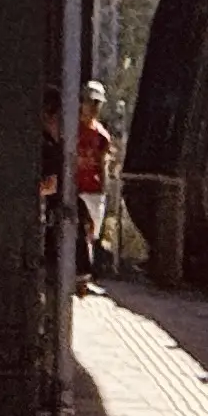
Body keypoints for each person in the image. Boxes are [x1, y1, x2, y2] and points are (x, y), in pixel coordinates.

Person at [74, 83, 119, 291]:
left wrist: (103, 190)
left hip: (92, 189)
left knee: (91, 234)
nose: (92, 107)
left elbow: (102, 163)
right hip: (75, 189)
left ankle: (85, 277)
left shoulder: (101, 136)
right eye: (89, 102)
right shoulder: (72, 129)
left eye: (96, 104)